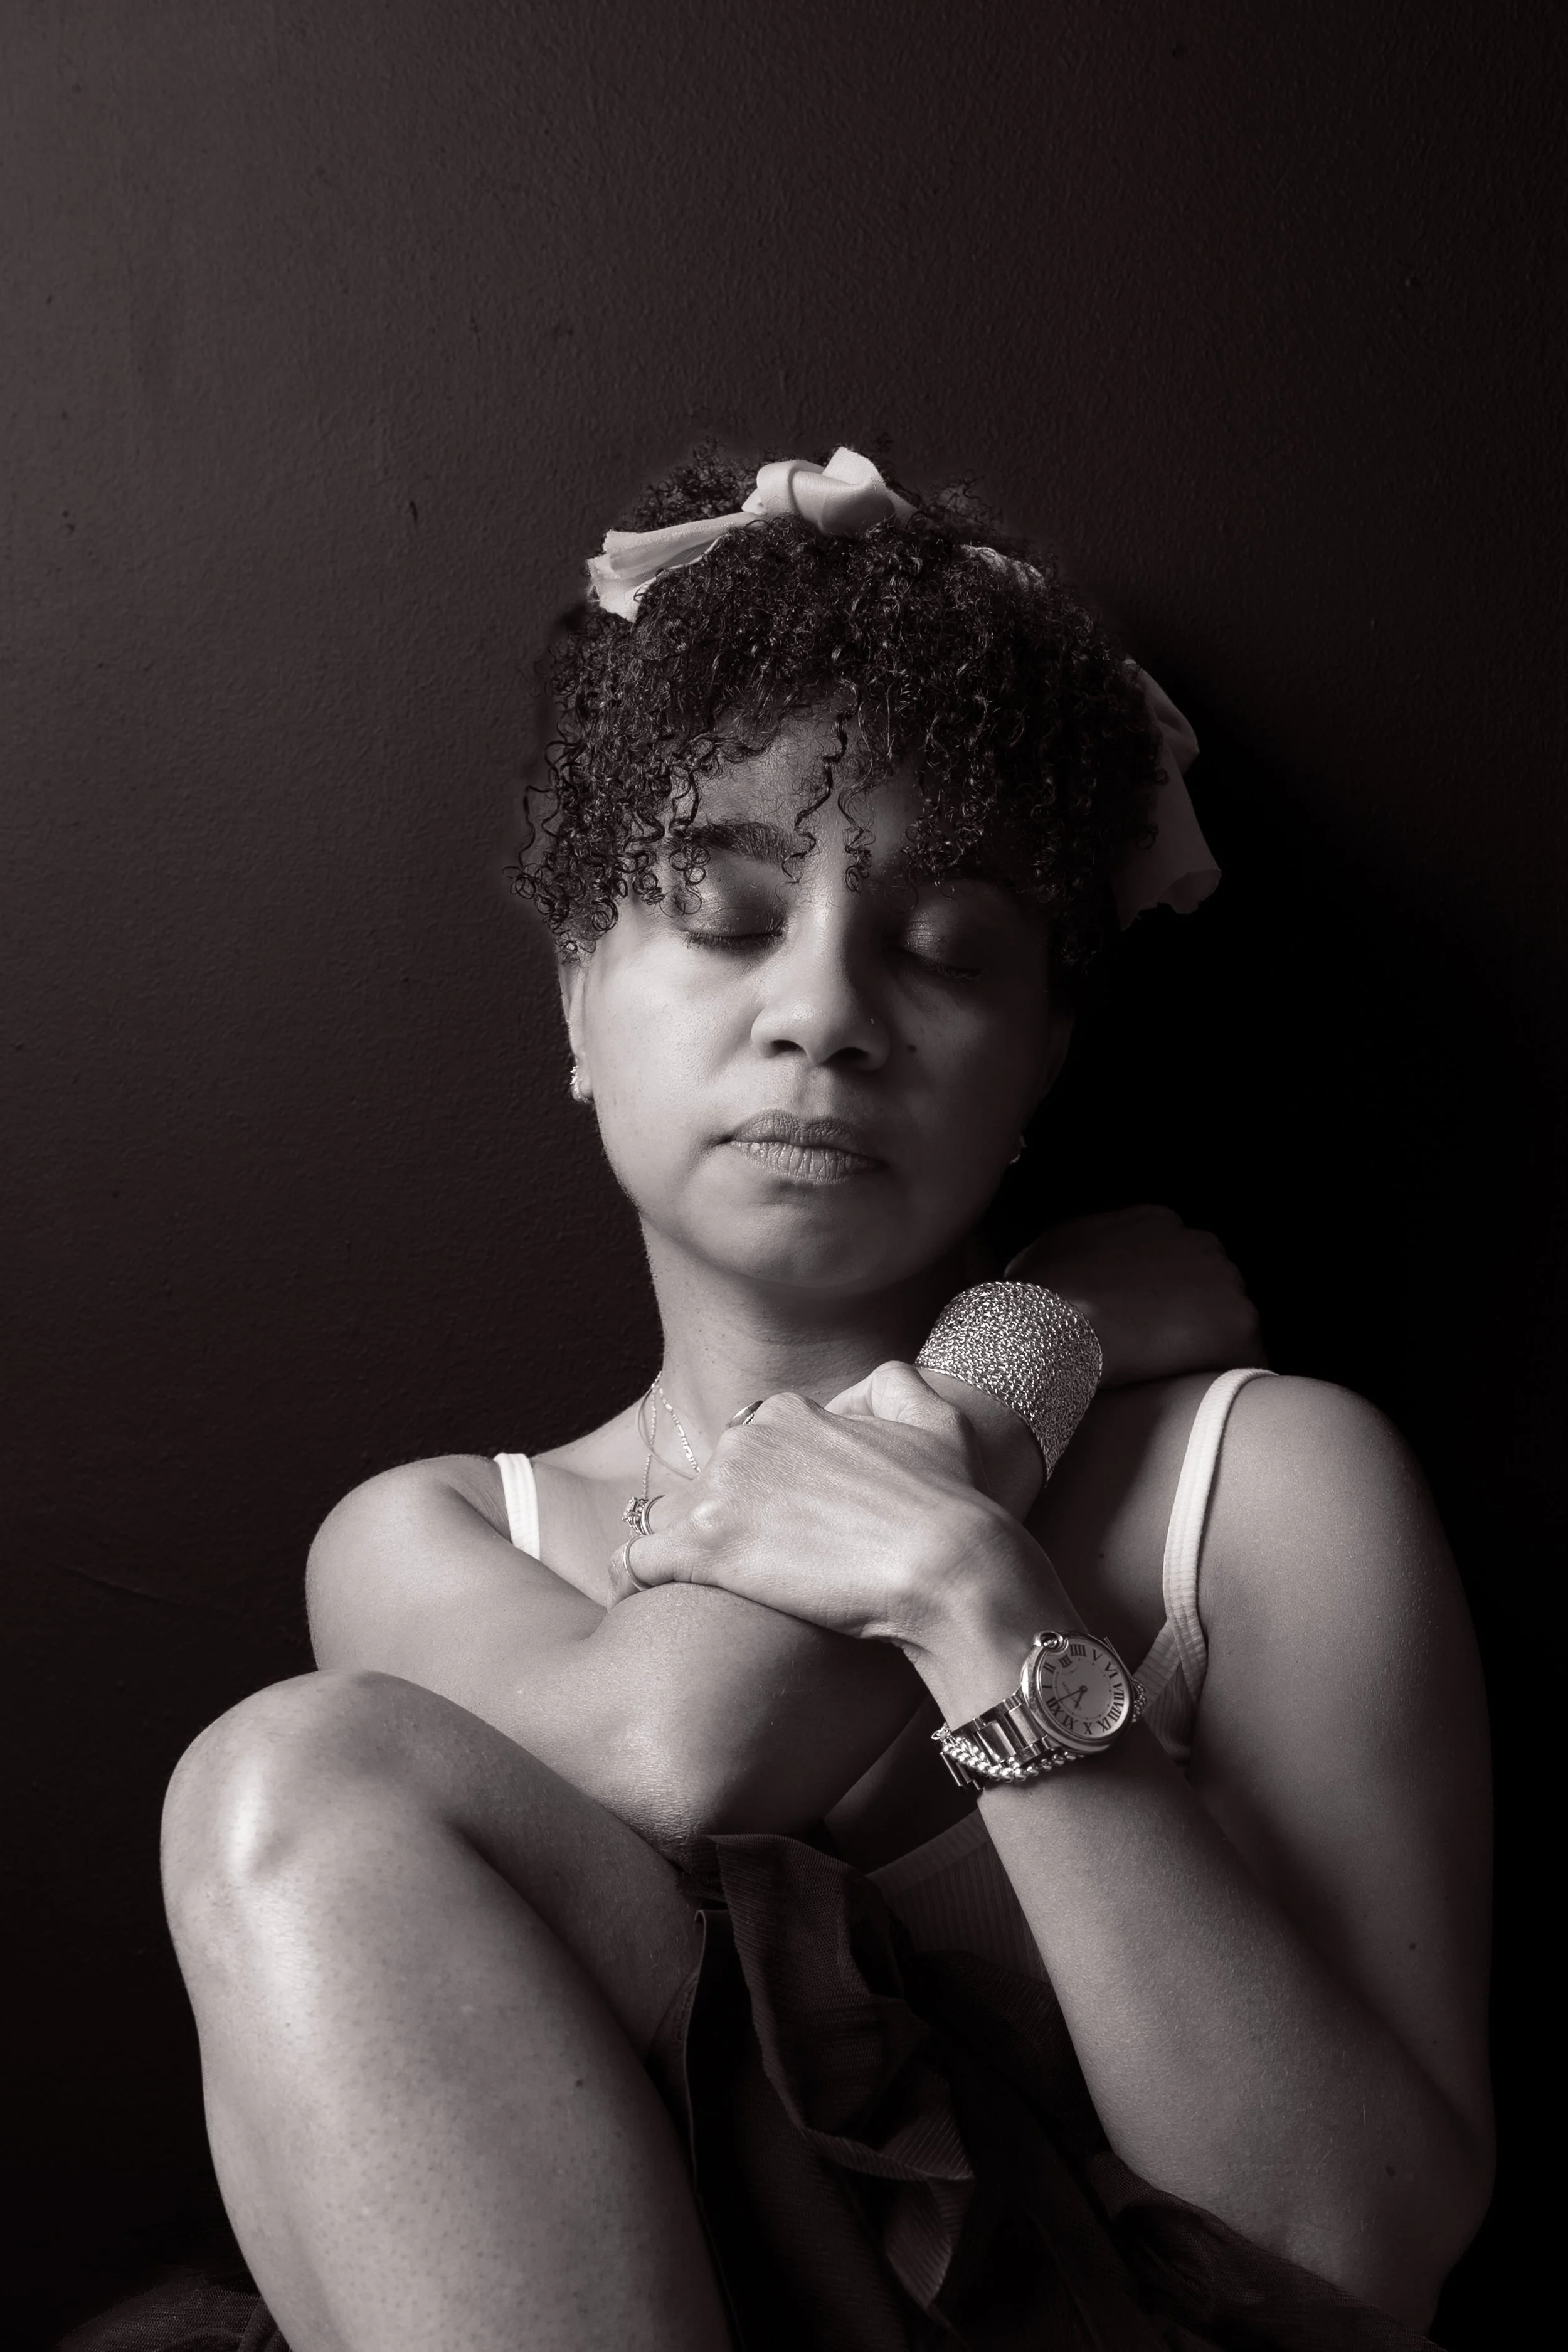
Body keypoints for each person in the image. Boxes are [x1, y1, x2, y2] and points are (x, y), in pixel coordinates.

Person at [154, 447, 1491, 2352]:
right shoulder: (440, 1536)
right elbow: (672, 1756)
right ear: (569, 998)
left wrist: (980, 1601)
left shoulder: (1262, 1486)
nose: (822, 1008)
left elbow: (1351, 2250)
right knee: (277, 1775)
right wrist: (1005, 1374)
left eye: (943, 948)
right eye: (718, 910)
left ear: (1043, 1050)